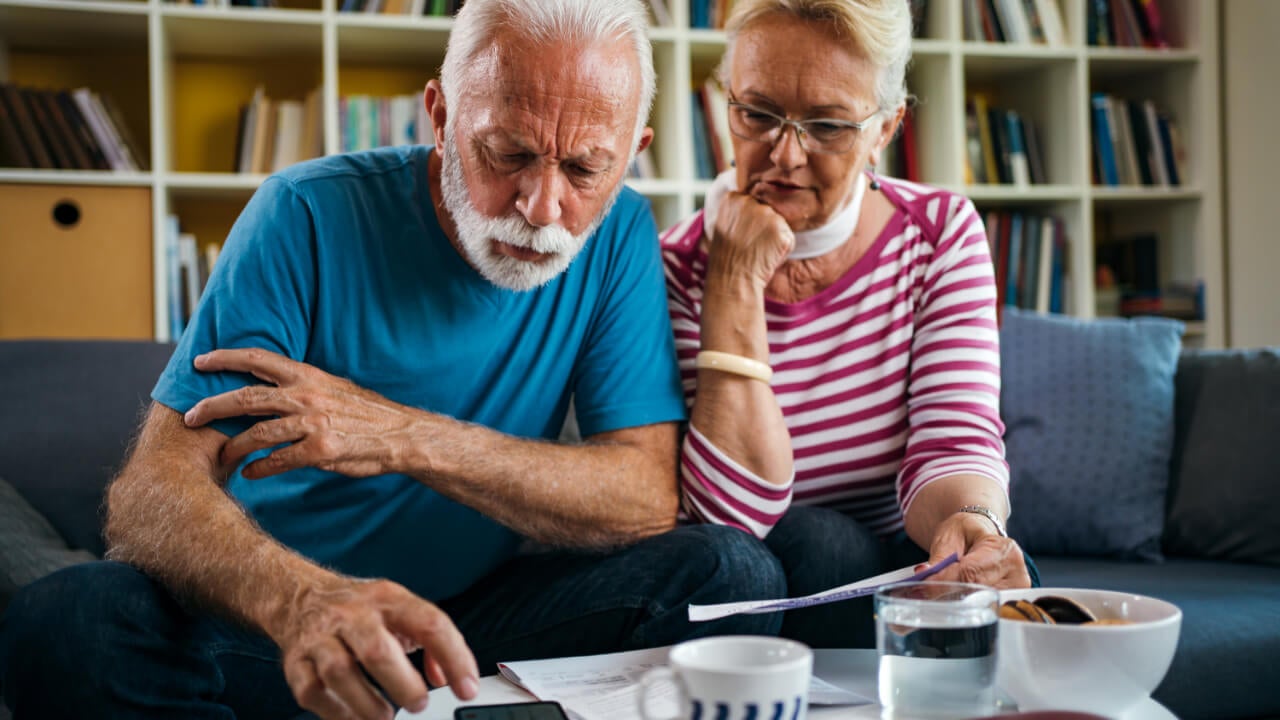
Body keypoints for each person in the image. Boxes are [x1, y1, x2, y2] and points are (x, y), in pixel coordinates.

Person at [0, 2, 788, 718]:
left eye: (585, 168)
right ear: (441, 116)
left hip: (468, 628)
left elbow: (645, 492)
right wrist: (303, 603)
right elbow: (150, 494)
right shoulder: (302, 213)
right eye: (506, 153)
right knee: (71, 621)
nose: (543, 208)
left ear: (634, 154)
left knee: (730, 573)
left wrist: (399, 435)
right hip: (272, 626)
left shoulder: (617, 236)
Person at [661, 0, 1038, 649]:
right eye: (756, 114)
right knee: (804, 543)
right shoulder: (675, 265)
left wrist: (970, 521)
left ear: (885, 128)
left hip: (897, 558)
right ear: (727, 100)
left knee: (997, 580)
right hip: (759, 587)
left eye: (828, 125)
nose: (785, 153)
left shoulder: (939, 233)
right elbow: (728, 517)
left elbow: (953, 440)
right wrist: (733, 281)